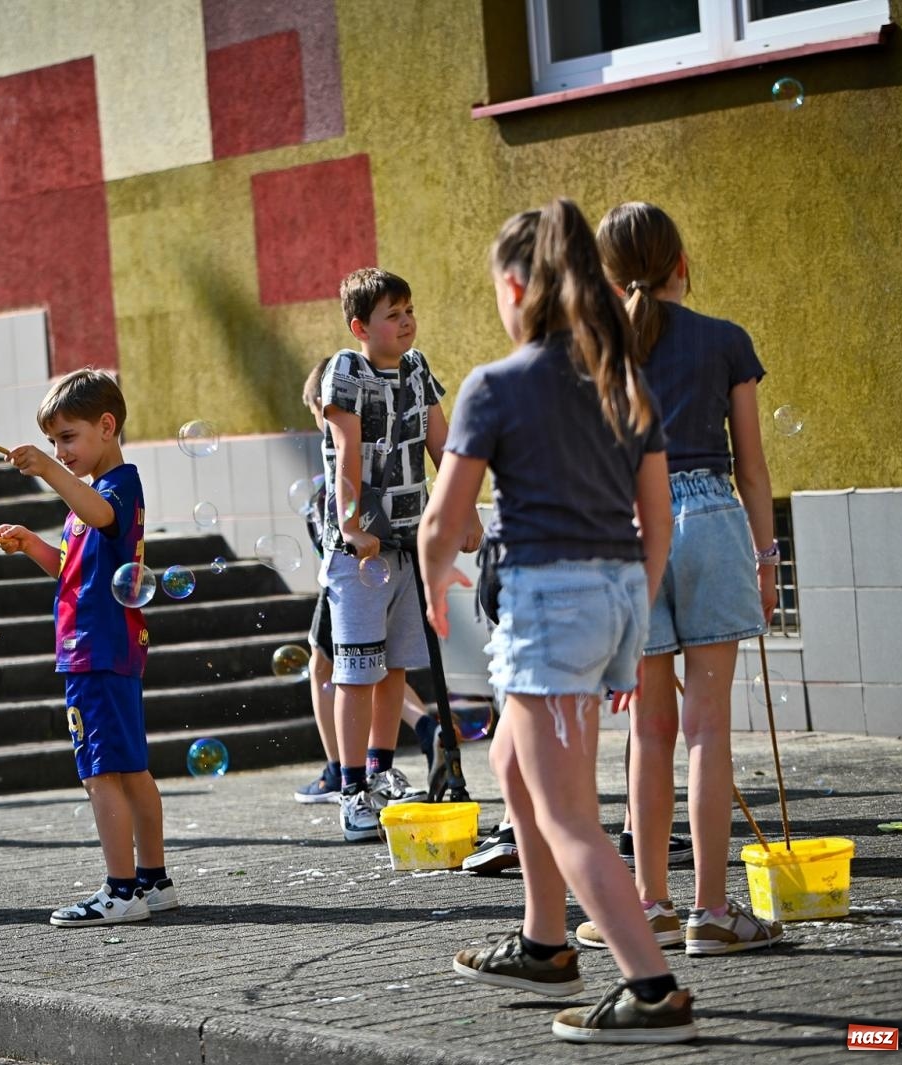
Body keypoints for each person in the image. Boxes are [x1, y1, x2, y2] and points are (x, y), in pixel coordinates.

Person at [420, 199, 695, 1043]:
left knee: (569, 813)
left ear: (514, 288)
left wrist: (434, 584)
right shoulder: (623, 380)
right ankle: (544, 943)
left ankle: (653, 990)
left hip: (550, 605)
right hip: (614, 593)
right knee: (511, 756)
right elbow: (658, 521)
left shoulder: (494, 385)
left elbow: (441, 521)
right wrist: (631, 622)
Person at [568, 201, 784, 957]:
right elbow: (753, 470)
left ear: (608, 279)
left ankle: (651, 904)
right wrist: (767, 562)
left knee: (648, 730)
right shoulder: (727, 341)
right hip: (713, 525)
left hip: (631, 534)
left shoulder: (593, 350)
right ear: (682, 264)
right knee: (708, 729)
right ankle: (712, 913)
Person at [0, 369, 176, 927]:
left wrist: (48, 471)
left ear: (107, 426)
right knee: (130, 768)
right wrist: (33, 545)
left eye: (67, 437)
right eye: (52, 442)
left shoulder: (114, 488)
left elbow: (103, 513)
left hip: (96, 648)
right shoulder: (90, 498)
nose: (60, 452)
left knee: (100, 771)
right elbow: (72, 567)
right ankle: (152, 881)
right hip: (103, 645)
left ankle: (120, 891)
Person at [319, 268, 478, 843]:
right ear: (361, 327)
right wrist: (351, 525)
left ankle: (383, 772)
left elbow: (443, 445)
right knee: (356, 671)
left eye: (409, 310)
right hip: (361, 553)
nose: (407, 321)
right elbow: (347, 451)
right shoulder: (347, 371)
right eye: (393, 314)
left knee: (395, 668)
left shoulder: (417, 368)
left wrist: (465, 511)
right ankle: (351, 789)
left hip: (411, 546)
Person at [291, 356, 441, 805]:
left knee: (349, 667)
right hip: (359, 565)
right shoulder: (334, 482)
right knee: (360, 667)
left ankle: (348, 772)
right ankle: (356, 776)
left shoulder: (393, 377)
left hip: (372, 563)